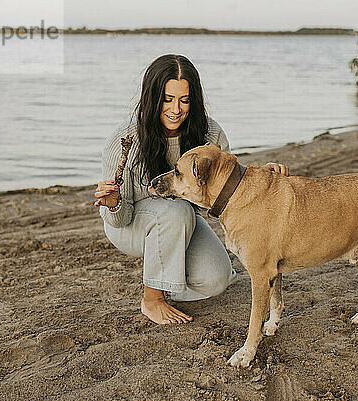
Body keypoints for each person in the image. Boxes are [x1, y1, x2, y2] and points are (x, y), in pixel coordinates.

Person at [94, 54, 289, 325]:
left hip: (182, 220)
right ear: (152, 98)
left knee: (217, 279)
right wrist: (113, 202)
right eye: (167, 99)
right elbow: (118, 219)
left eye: (184, 100)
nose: (176, 109)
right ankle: (152, 299)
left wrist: (262, 178)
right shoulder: (125, 140)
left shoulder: (210, 135)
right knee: (175, 211)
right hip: (128, 225)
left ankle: (164, 274)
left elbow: (227, 191)